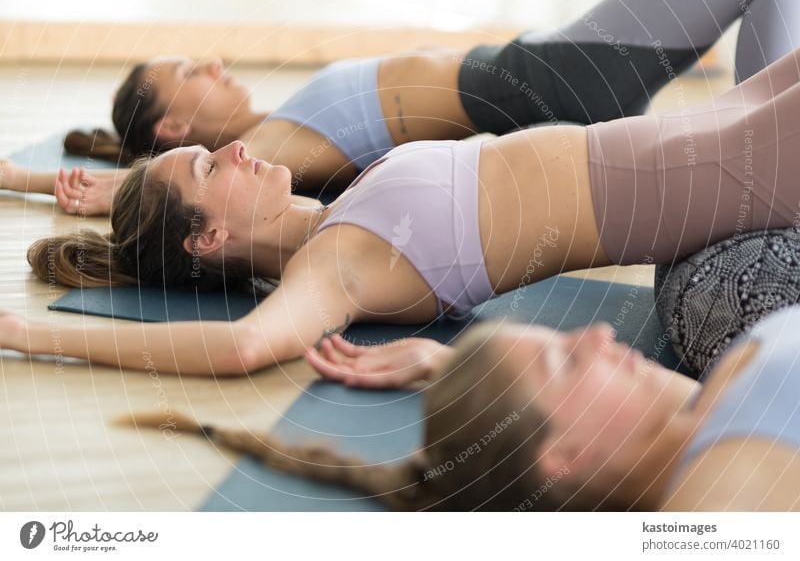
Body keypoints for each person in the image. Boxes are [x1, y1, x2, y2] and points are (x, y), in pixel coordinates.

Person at [10, 43, 800, 377]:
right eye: (213, 166)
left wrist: (56, 184)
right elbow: (243, 346)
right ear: (211, 236)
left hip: (694, 135)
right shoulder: (333, 267)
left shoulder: (336, 211)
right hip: (706, 178)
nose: (240, 149)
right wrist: (29, 333)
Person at [3, 0, 797, 214]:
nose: (213, 63)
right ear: (176, 128)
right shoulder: (267, 151)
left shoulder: (276, 123)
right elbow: (142, 190)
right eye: (193, 73)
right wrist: (28, 180)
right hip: (554, 81)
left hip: (539, 70)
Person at [119, 305, 800, 511]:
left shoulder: (703, 412)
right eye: (566, 358)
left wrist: (455, 371)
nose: (597, 334)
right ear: (561, 455)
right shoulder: (726, 494)